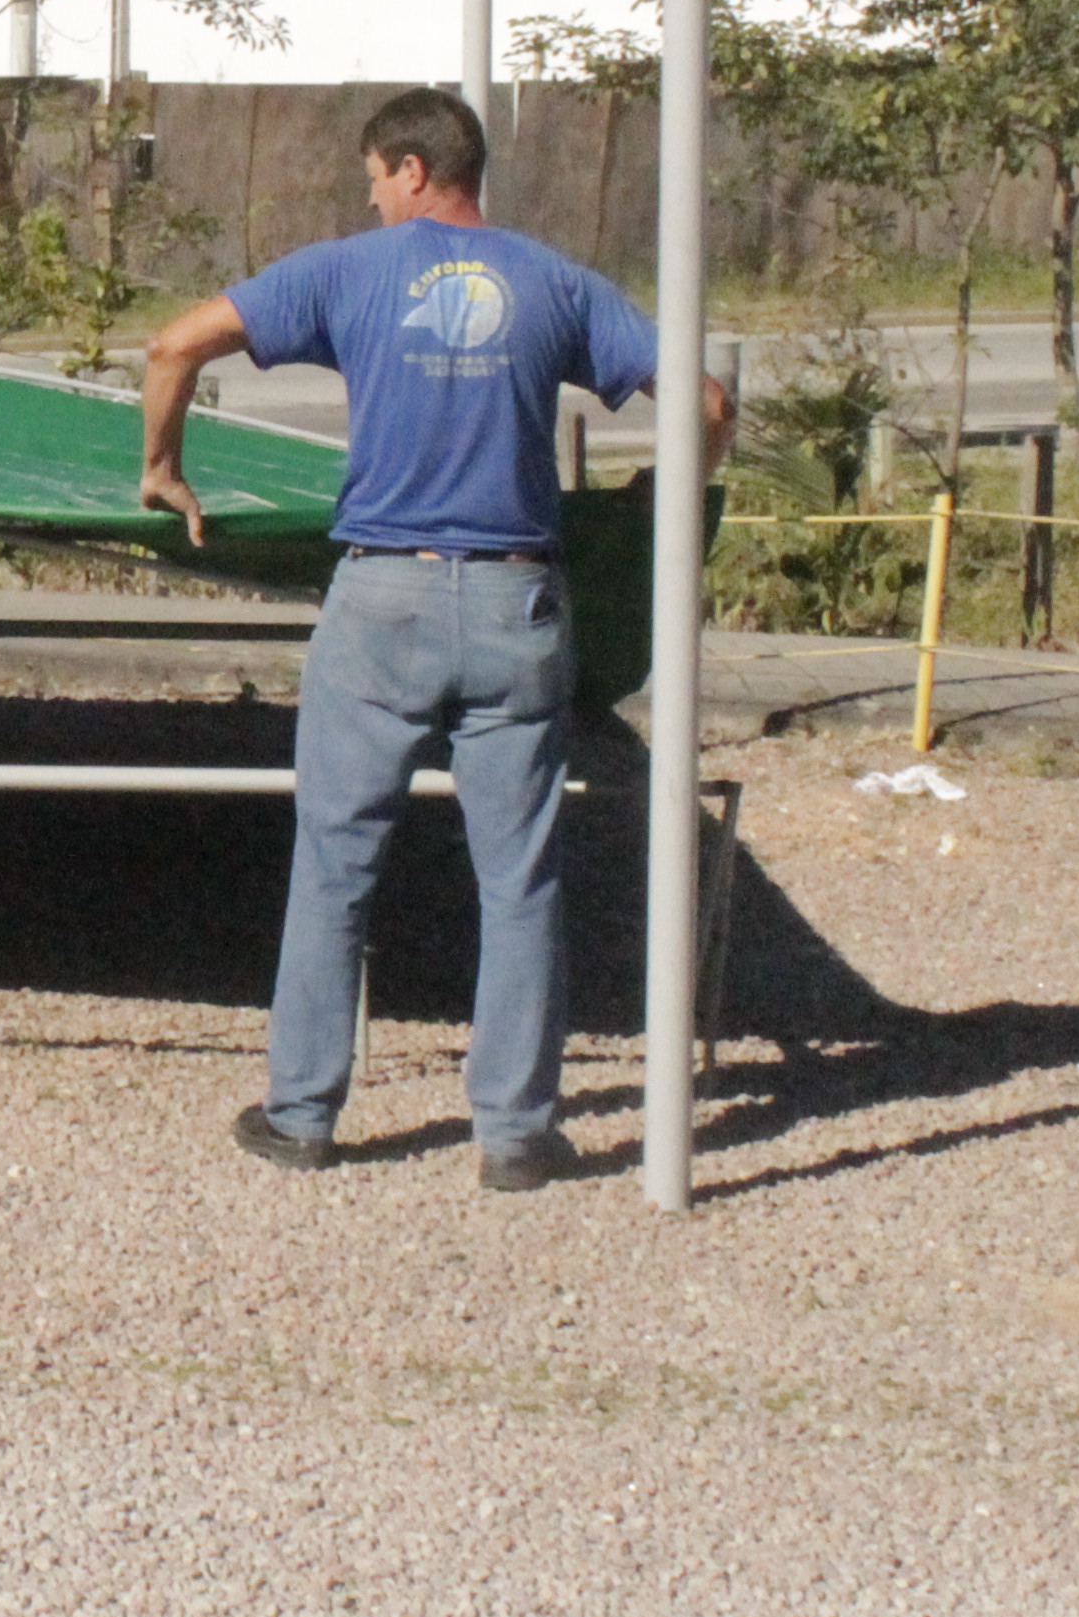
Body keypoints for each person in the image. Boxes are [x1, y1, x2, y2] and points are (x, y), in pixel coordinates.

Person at [137, 87, 731, 1192]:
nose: (368, 196)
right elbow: (698, 399)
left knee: (335, 864)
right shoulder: (554, 279)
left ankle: (303, 1112)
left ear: (414, 170)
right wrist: (673, 497)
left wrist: (164, 468)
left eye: (374, 175)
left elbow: (175, 345)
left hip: (383, 600)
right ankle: (514, 1133)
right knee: (521, 877)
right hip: (518, 605)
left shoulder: (348, 271)